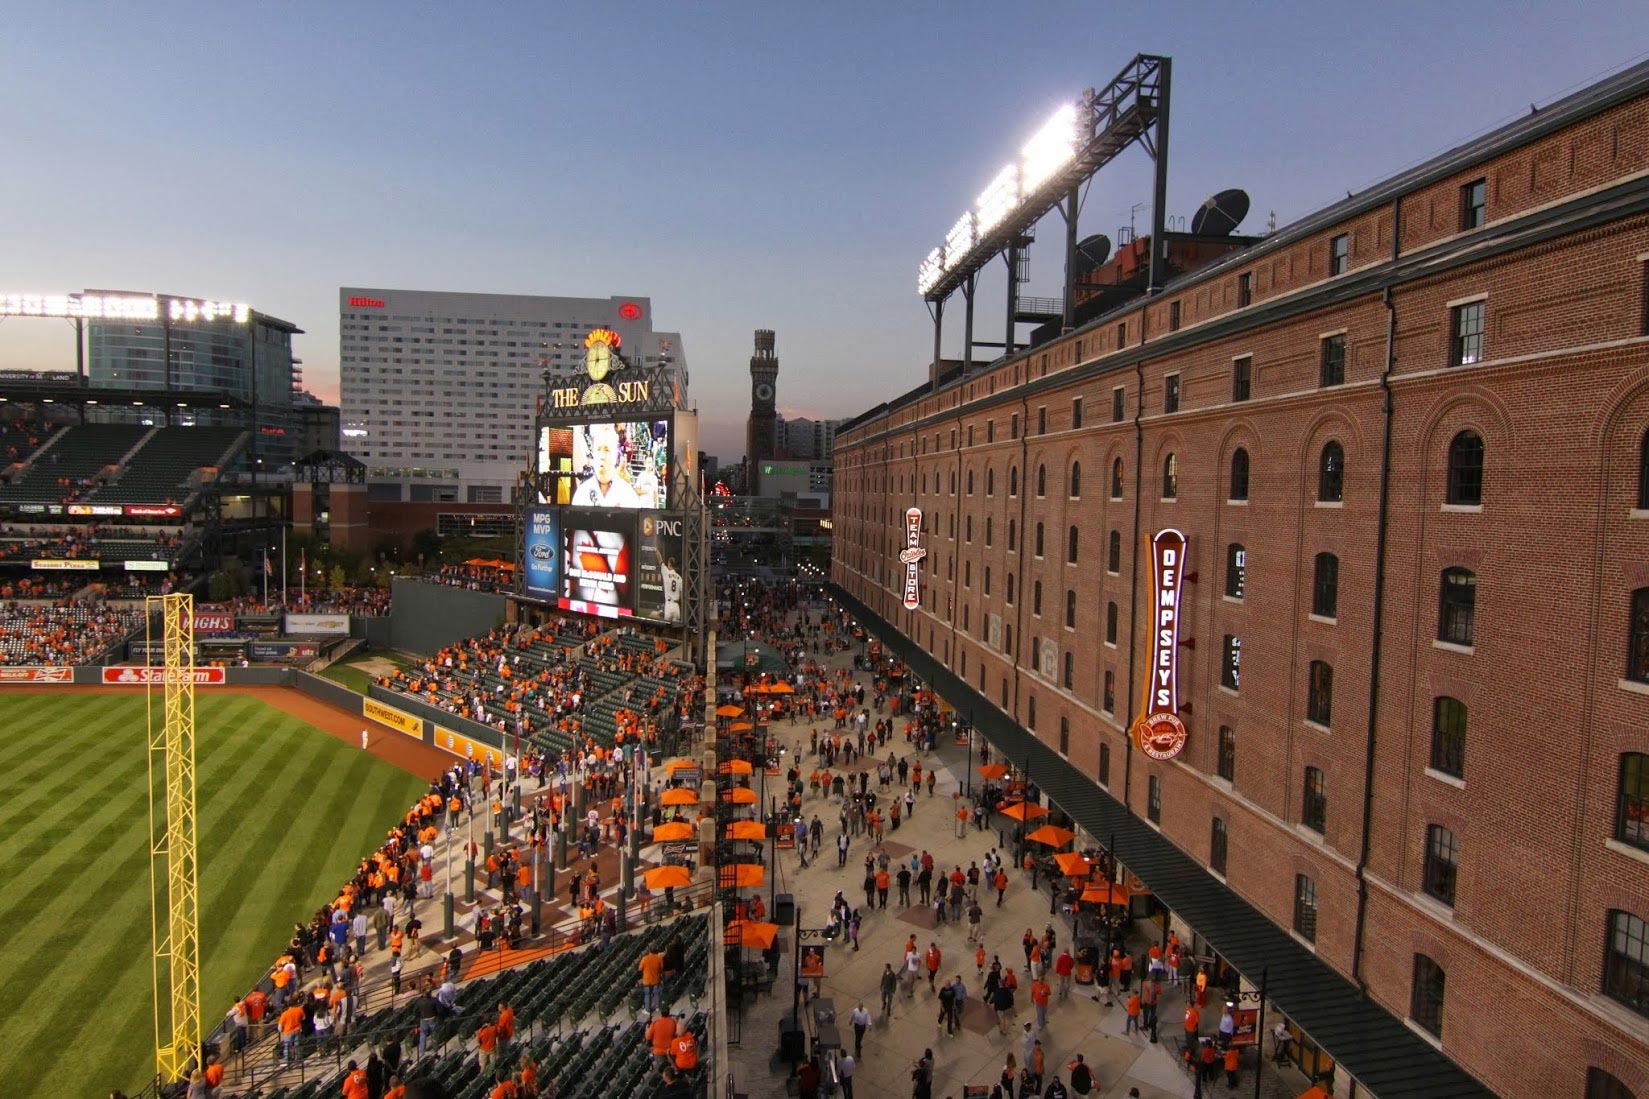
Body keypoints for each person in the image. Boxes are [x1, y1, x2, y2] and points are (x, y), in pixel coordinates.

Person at [574, 423, 642, 507]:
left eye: (607, 450)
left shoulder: (628, 495)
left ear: (615, 454)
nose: (602, 456)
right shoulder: (581, 494)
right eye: (598, 449)